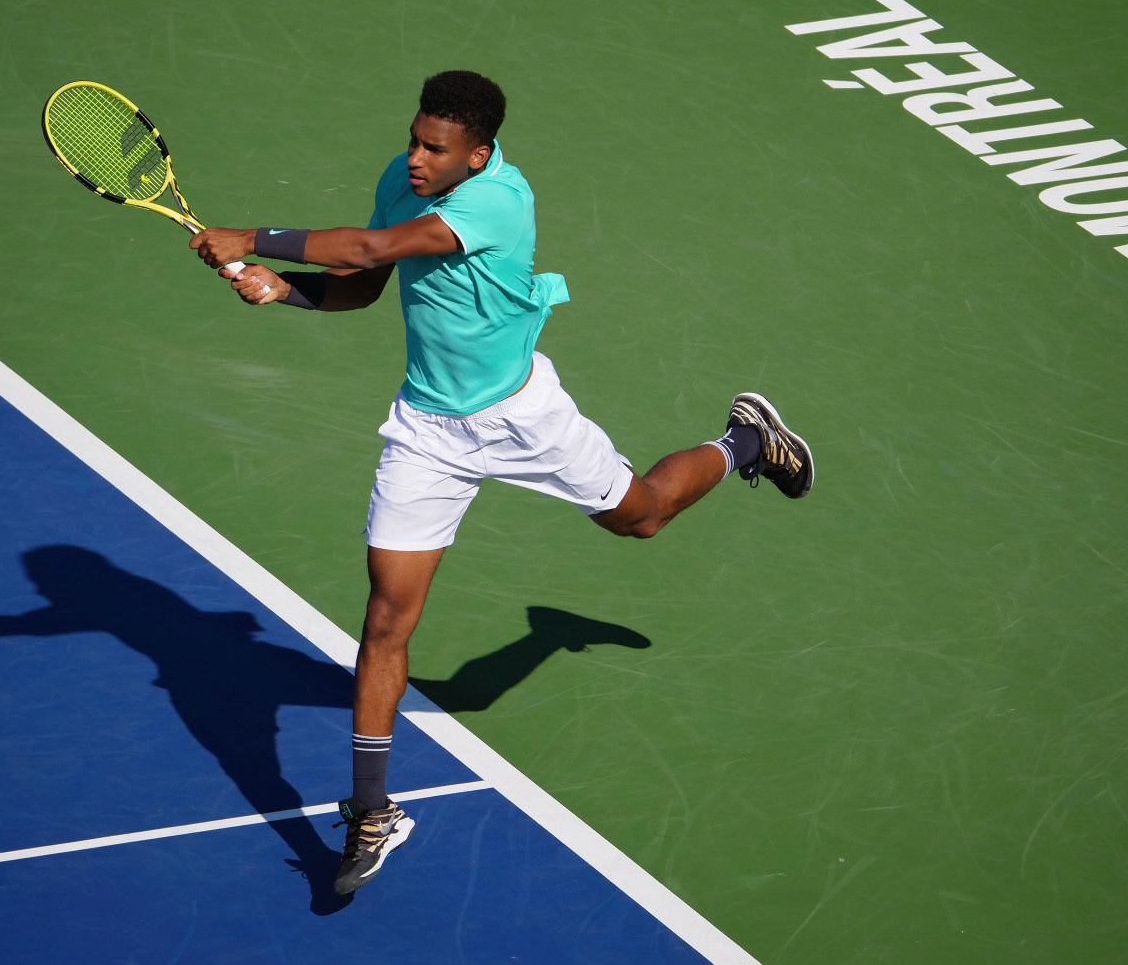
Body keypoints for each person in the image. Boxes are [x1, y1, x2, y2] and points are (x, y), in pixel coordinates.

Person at [188, 70, 813, 898]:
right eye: (414, 138)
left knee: (642, 517)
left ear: (477, 155)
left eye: (434, 149)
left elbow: (375, 249)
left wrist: (252, 236)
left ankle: (744, 440)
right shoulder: (403, 178)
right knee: (384, 621)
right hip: (426, 431)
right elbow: (365, 286)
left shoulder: (499, 201)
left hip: (522, 417)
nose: (414, 158)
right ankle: (372, 813)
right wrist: (290, 291)